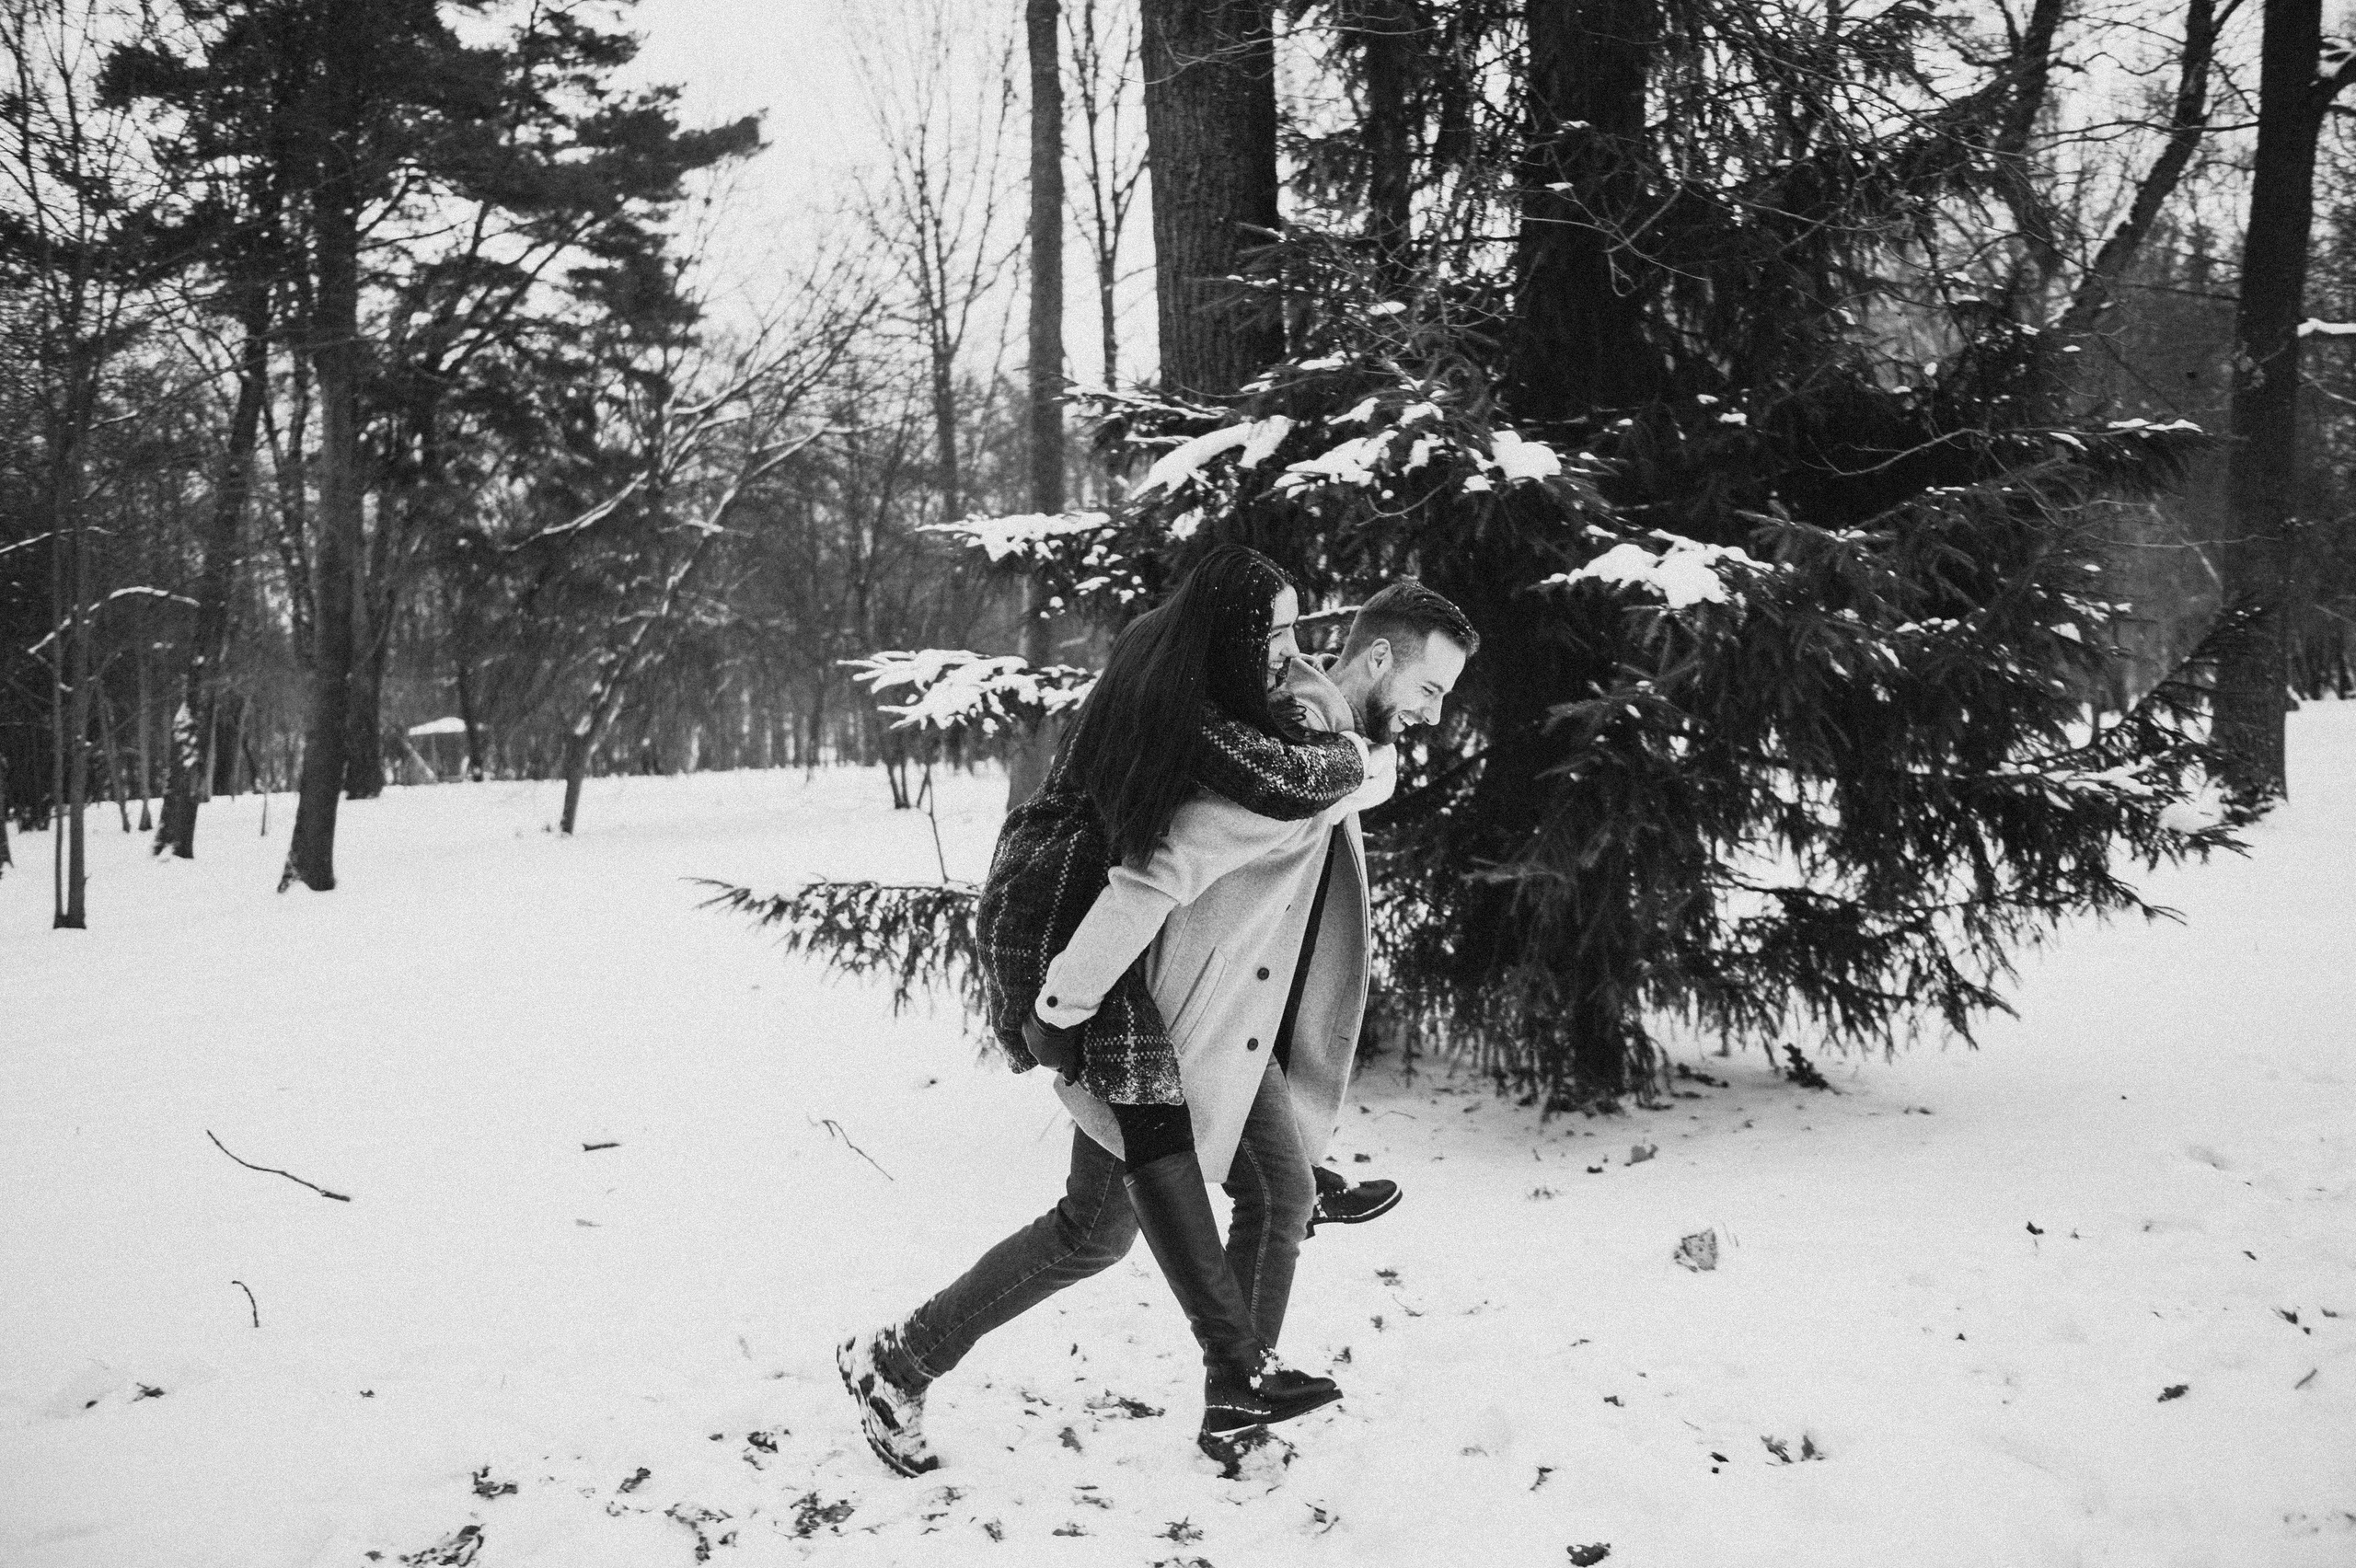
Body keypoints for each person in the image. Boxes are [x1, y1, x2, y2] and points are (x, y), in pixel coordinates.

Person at [838, 554, 1475, 1473]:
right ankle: (896, 1359)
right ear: (1375, 658)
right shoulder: (1292, 750)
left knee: (1279, 1189)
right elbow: (1156, 878)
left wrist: (1363, 768)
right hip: (1169, 1028)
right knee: (1091, 1232)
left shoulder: (1324, 739)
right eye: (1430, 687)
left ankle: (1236, 1407)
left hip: (1230, 1031)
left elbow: (1320, 837)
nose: (1435, 714)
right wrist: (1066, 1002)